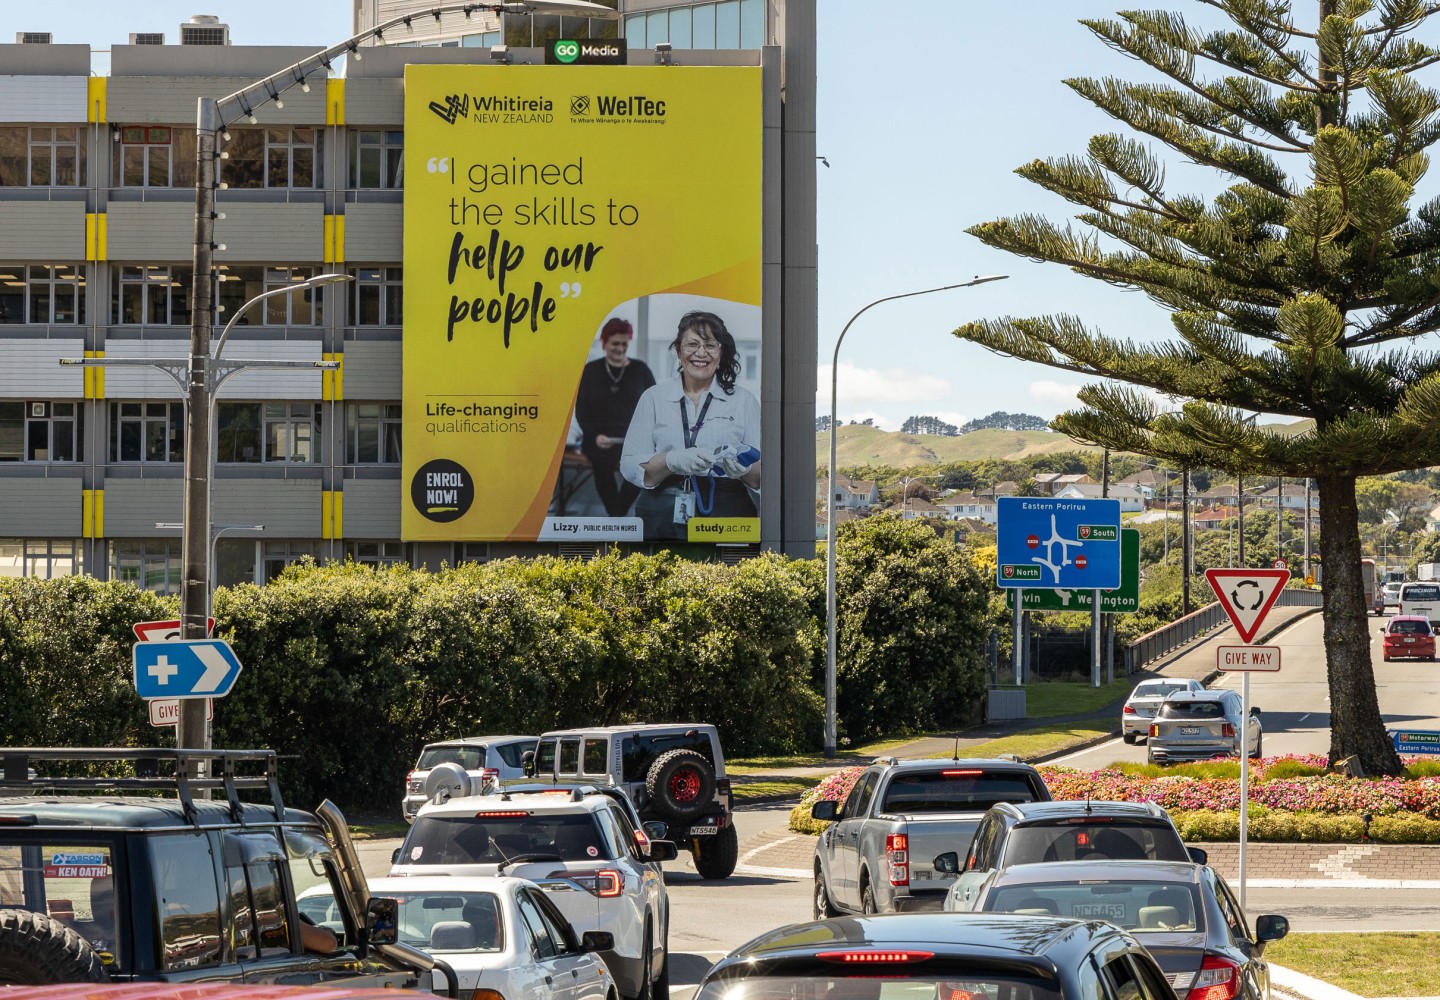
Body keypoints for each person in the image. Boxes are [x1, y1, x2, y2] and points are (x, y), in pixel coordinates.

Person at [621, 311, 761, 540]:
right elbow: (629, 465)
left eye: (710, 345)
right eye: (692, 344)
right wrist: (672, 460)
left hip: (727, 514)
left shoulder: (743, 401)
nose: (701, 353)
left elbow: (761, 476)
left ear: (721, 352)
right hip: (661, 511)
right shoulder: (653, 397)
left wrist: (745, 471)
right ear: (678, 351)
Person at [573, 317, 656, 517]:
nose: (620, 349)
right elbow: (582, 410)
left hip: (634, 439)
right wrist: (594, 435)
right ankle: (617, 517)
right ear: (604, 343)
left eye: (624, 344)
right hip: (599, 439)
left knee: (640, 466)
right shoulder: (590, 371)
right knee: (601, 464)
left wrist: (644, 436)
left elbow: (654, 406)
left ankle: (616, 515)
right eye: (615, 344)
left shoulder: (640, 370)